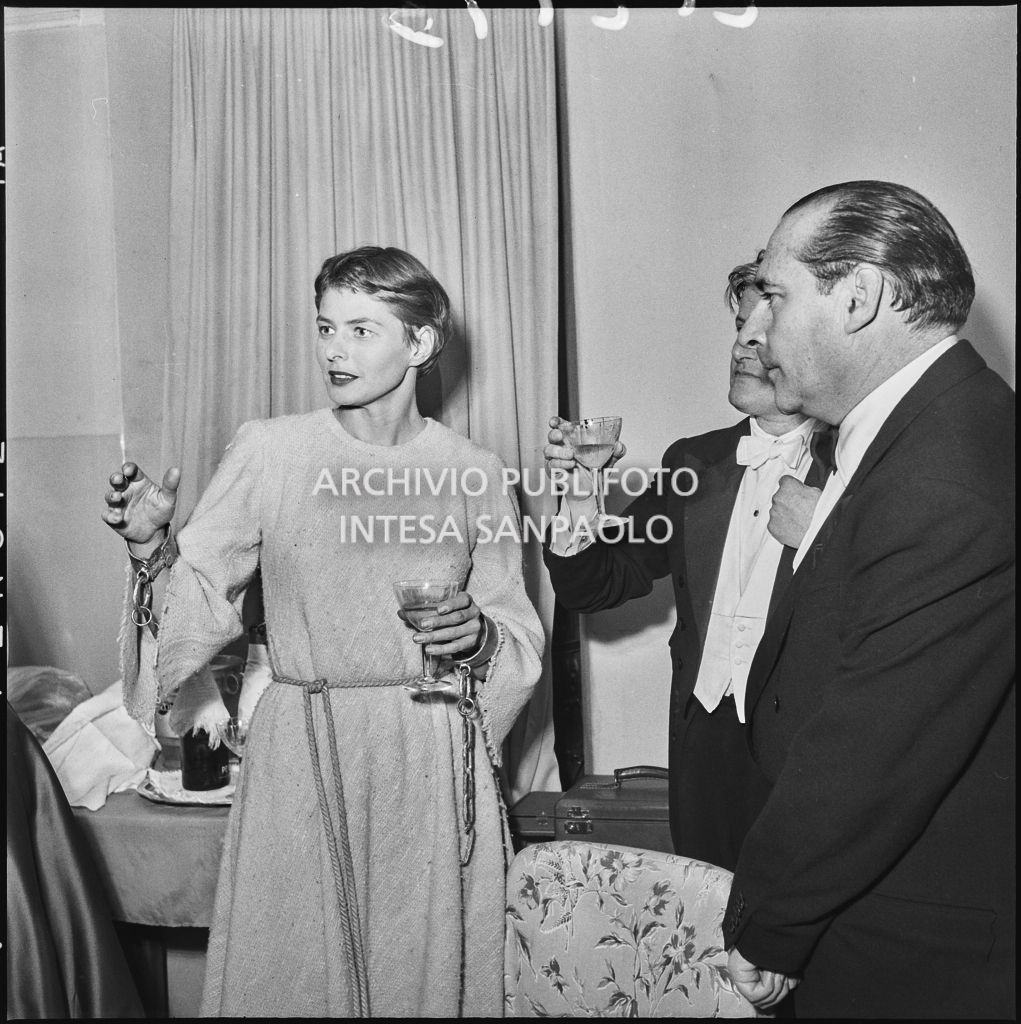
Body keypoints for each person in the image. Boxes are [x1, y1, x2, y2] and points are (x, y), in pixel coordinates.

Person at [102, 246, 544, 1017]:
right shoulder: (271, 452)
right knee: (292, 973)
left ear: (420, 344)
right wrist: (151, 551)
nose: (334, 349)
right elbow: (197, 604)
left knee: (419, 973)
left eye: (361, 330)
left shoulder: (475, 472)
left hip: (428, 757)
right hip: (300, 751)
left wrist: (475, 639)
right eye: (325, 326)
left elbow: (515, 638)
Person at [721, 181, 1015, 1018]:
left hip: (907, 947)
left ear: (857, 298)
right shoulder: (927, 425)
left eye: (775, 294)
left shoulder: (939, 472)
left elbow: (873, 747)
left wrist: (769, 922)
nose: (758, 324)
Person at [541, 255, 833, 872]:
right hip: (706, 752)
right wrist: (582, 491)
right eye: (739, 325)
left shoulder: (866, 462)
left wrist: (827, 532)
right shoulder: (693, 463)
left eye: (767, 324)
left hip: (814, 759)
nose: (743, 344)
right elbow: (597, 585)